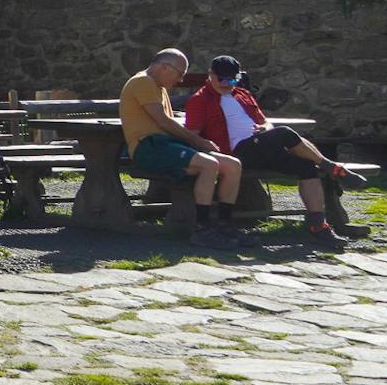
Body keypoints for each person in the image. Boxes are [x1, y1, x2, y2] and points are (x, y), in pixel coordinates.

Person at [184, 55, 367, 246]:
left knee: (306, 167)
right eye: (222, 79)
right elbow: (193, 134)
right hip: (236, 153)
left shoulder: (242, 95)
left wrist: (265, 129)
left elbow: (265, 122)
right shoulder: (200, 100)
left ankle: (318, 225)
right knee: (285, 133)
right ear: (210, 75)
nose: (227, 84)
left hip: (261, 146)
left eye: (233, 79)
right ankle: (332, 167)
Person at [120, 48, 248, 249]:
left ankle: (225, 224)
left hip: (166, 145)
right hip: (149, 147)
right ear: (164, 67)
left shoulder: (158, 86)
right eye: (179, 74)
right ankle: (202, 229)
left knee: (232, 165)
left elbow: (167, 123)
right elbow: (163, 122)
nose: (180, 80)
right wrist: (198, 141)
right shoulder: (142, 82)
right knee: (209, 164)